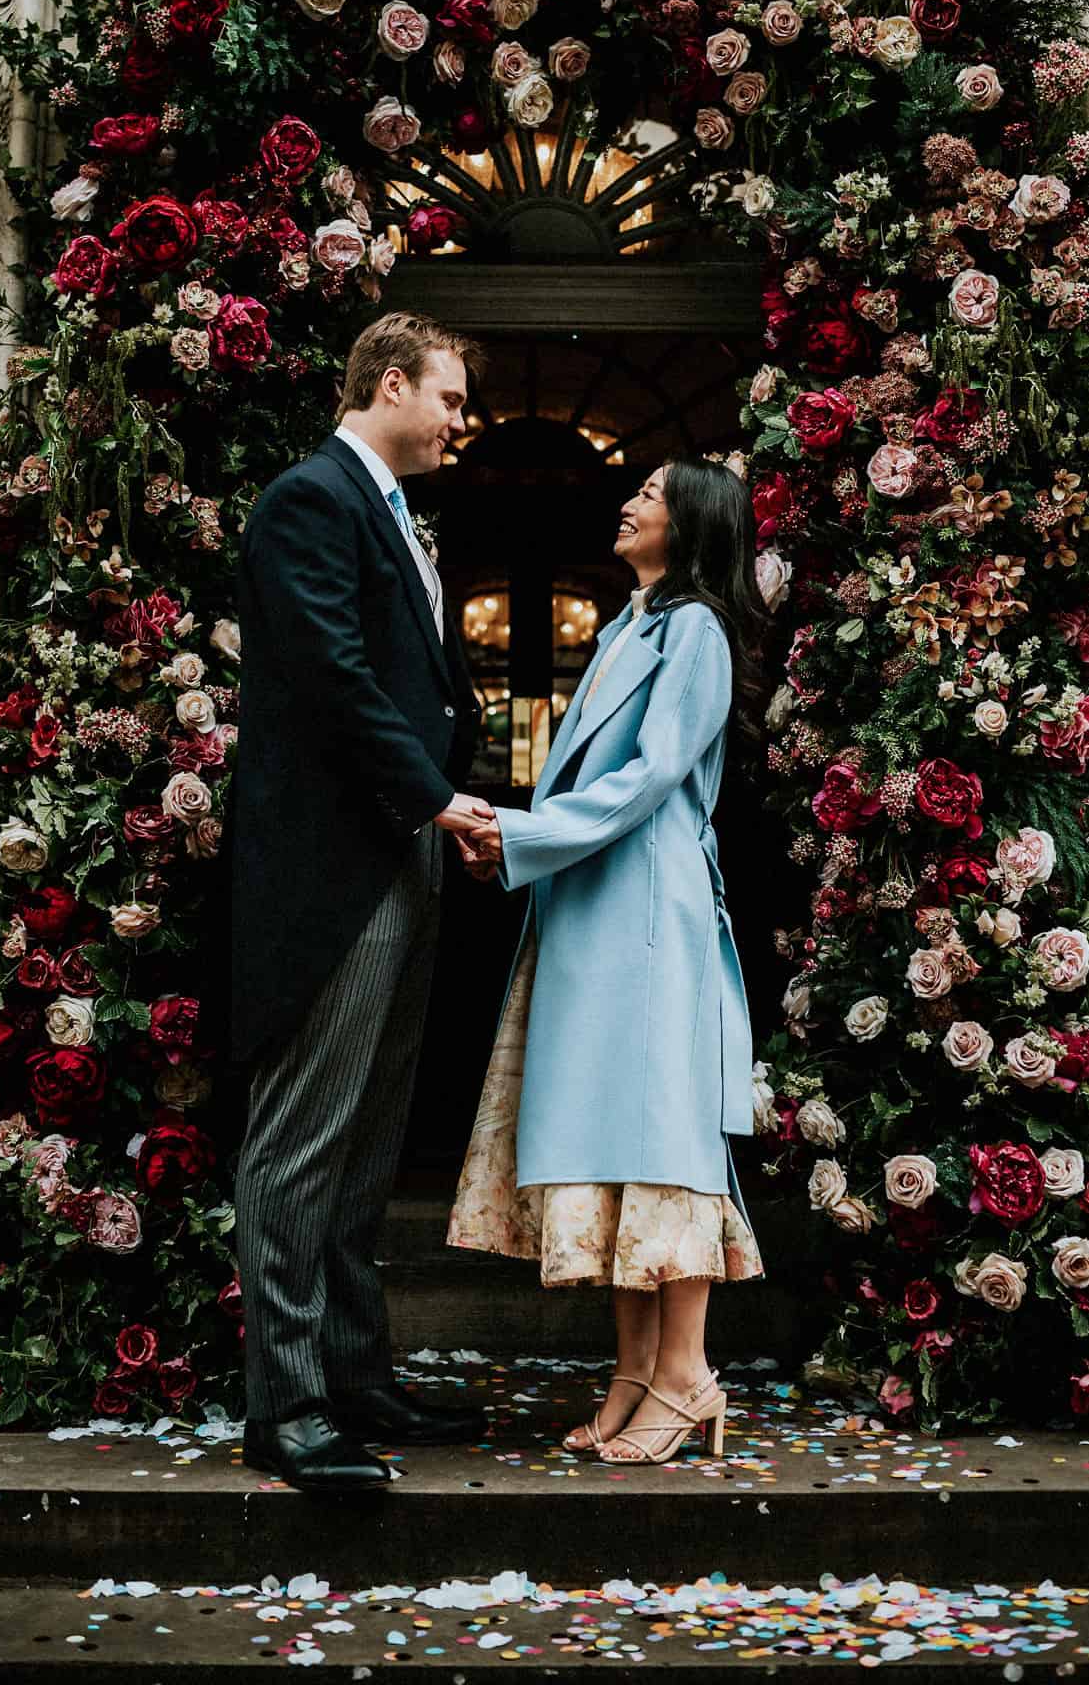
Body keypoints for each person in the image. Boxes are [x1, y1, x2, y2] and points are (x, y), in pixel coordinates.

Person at [447, 458, 767, 1465]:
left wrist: (520, 831)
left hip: (646, 906)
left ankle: (687, 1374)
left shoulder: (699, 630)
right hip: (598, 899)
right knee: (618, 1144)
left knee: (663, 1138)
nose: (627, 502)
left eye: (652, 494)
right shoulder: (636, 622)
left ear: (693, 521)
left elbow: (646, 779)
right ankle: (637, 1371)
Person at [231, 312, 492, 1493]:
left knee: (369, 1147)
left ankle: (356, 1372)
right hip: (335, 873)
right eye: (446, 395)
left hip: (402, 859)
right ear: (389, 381)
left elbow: (416, 682)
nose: (458, 417)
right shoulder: (311, 499)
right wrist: (439, 797)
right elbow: (332, 673)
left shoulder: (393, 509)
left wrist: (447, 808)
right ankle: (286, 1408)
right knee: (300, 1145)